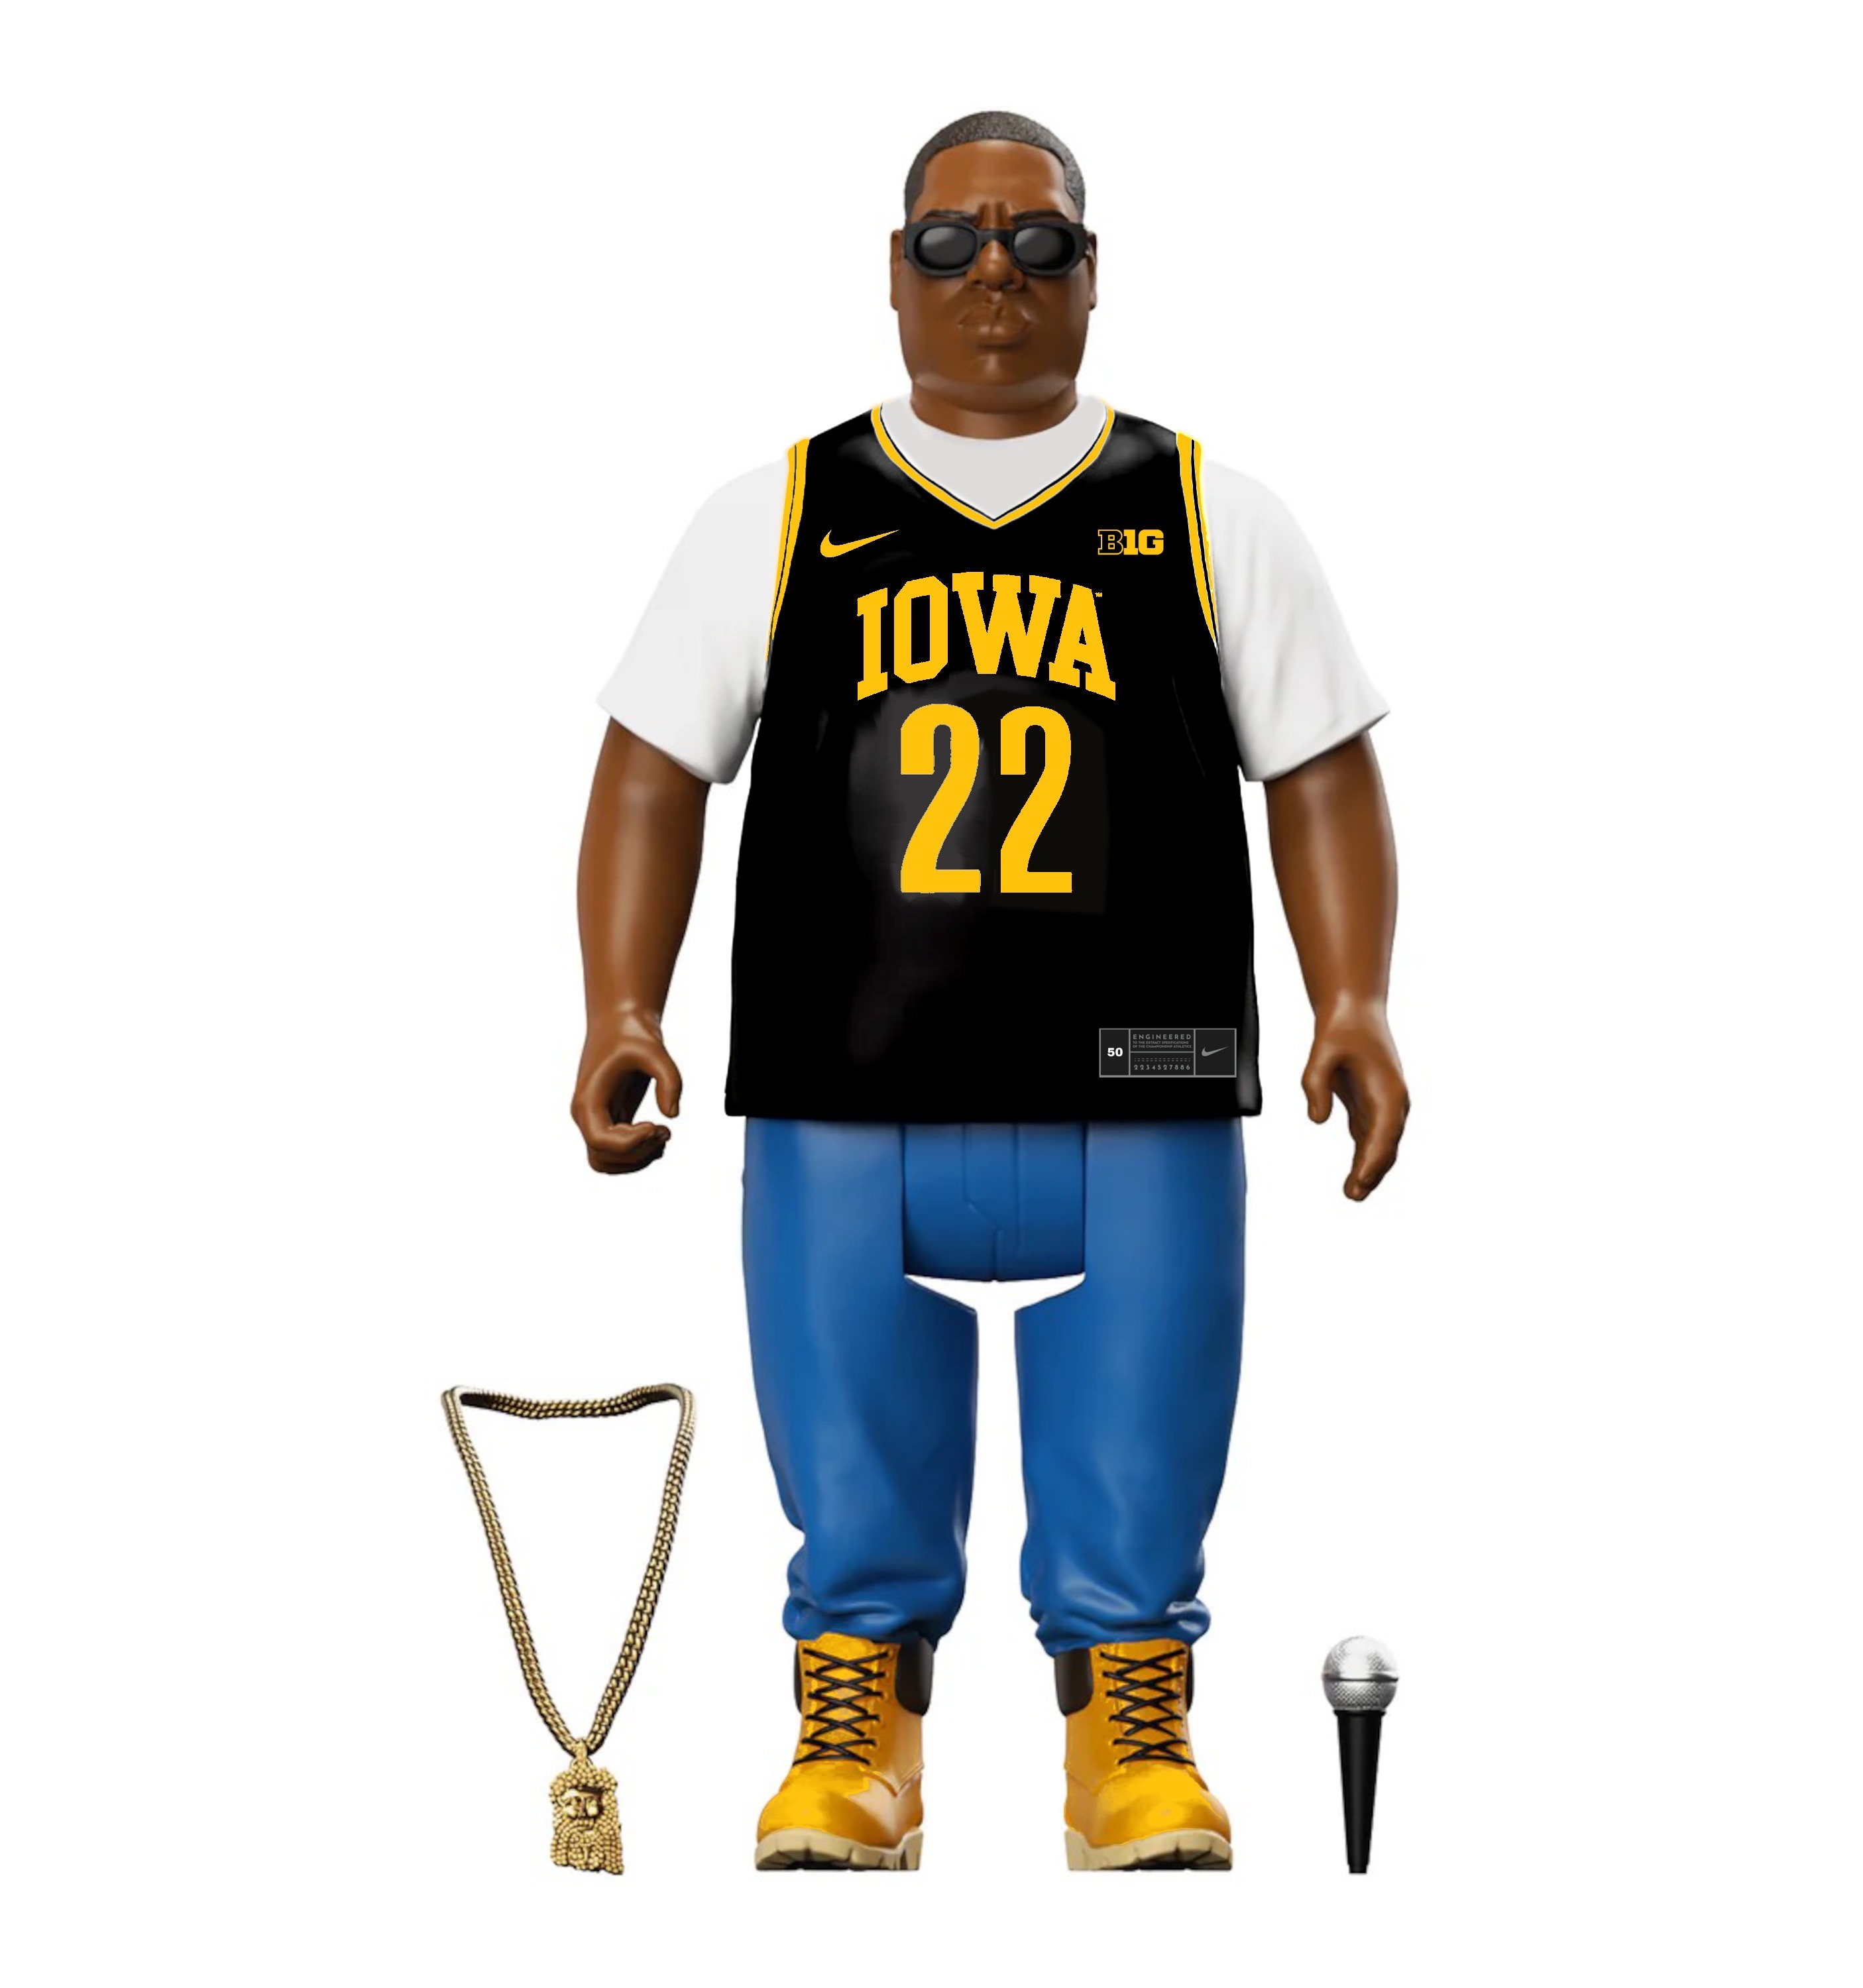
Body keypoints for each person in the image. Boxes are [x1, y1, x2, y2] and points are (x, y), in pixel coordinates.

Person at [575, 111, 1409, 1871]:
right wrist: (619, 1005)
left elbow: (1320, 770)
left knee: (1146, 1402)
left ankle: (1128, 1716)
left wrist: (1356, 996)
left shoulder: (1207, 509)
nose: (996, 278)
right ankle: (858, 1715)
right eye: (953, 241)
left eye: (1038, 242)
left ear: (1095, 275)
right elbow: (652, 769)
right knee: (845, 1405)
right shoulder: (779, 513)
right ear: (895, 273)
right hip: (843, 1070)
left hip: (1145, 1067)